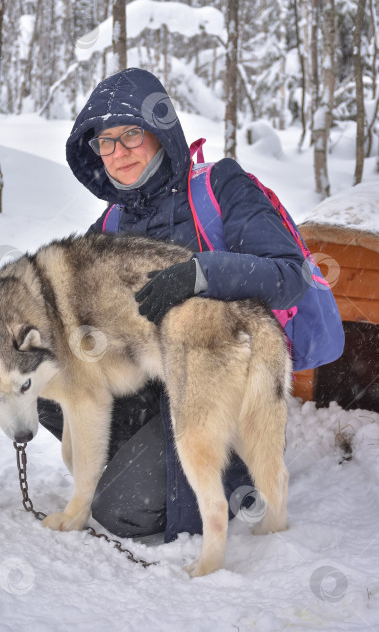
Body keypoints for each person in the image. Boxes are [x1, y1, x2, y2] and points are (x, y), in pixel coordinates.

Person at [37, 67, 310, 544]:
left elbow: (290, 276)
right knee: (48, 388)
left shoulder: (220, 186)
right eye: (106, 142)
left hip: (226, 373)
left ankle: (231, 469)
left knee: (122, 514)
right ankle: (151, 462)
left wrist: (202, 274)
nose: (118, 152)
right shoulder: (113, 220)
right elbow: (69, 308)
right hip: (154, 379)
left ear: (160, 133)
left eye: (131, 135)